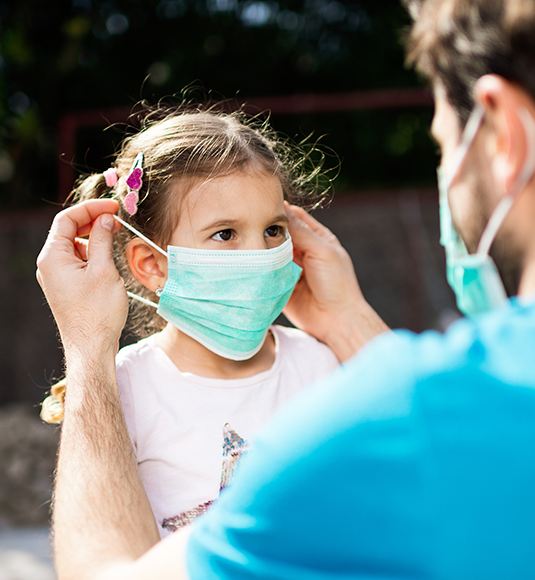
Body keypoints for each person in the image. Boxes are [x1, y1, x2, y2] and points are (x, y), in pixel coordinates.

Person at [36, 0, 535, 578]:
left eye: (444, 138)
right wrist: (349, 321)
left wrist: (86, 348)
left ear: (506, 136)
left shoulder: (401, 425)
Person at [39, 110, 339, 537]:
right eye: (225, 233)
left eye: (273, 229)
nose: (259, 253)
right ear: (152, 265)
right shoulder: (120, 390)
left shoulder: (320, 364)